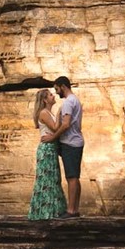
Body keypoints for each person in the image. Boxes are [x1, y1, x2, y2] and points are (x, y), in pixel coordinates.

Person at [41, 75, 83, 216]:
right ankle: (75, 209)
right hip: (76, 141)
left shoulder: (68, 102)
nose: (56, 92)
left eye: (57, 89)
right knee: (75, 177)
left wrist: (53, 136)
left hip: (70, 143)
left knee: (71, 178)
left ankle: (71, 210)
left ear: (63, 87)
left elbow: (65, 124)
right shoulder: (74, 100)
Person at [27, 88, 68, 220]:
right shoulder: (44, 113)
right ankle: (44, 213)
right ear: (45, 100)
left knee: (53, 179)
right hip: (47, 149)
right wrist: (60, 112)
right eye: (50, 95)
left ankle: (51, 211)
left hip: (51, 149)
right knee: (47, 180)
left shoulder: (47, 112)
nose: (53, 95)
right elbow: (56, 128)